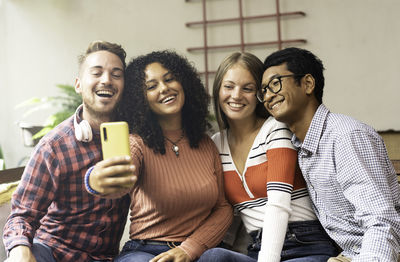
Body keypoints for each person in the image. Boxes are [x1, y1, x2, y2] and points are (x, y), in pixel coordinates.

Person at [85, 50, 233, 262]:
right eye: (151, 86)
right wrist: (95, 179)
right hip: (145, 251)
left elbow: (223, 208)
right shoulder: (136, 144)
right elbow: (119, 181)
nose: (164, 89)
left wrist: (189, 249)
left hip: (197, 252)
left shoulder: (206, 144)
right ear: (140, 98)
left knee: (219, 257)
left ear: (184, 83)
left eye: (169, 79)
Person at [260, 47, 400, 261]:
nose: (269, 95)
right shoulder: (301, 147)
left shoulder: (346, 137)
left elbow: (381, 221)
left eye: (275, 83)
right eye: (264, 91)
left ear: (307, 84)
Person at [2, 40, 134, 262]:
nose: (106, 80)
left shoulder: (136, 140)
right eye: (97, 72)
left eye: (116, 74)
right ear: (78, 84)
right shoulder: (53, 146)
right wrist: (19, 251)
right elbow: (21, 216)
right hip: (52, 252)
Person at [202, 52, 338, 262]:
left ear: (260, 94)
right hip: (259, 247)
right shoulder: (215, 143)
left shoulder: (275, 130)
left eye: (247, 88)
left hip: (305, 245)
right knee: (213, 257)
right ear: (218, 90)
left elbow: (278, 204)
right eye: (228, 87)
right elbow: (225, 211)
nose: (236, 95)